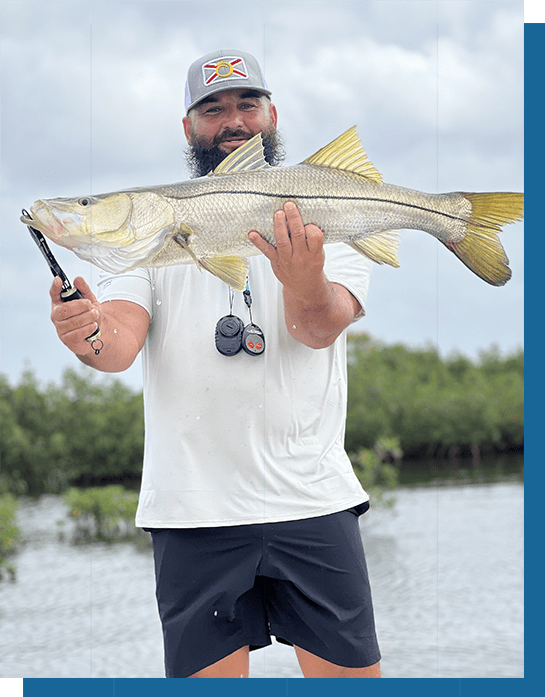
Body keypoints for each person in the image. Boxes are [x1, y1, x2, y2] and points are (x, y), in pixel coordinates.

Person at [49, 49, 382, 679]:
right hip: (191, 511)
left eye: (246, 103)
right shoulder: (148, 226)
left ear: (272, 114)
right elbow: (117, 345)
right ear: (187, 126)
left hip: (312, 500)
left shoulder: (325, 206)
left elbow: (317, 328)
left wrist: (302, 278)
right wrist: (85, 331)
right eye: (213, 108)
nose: (232, 120)